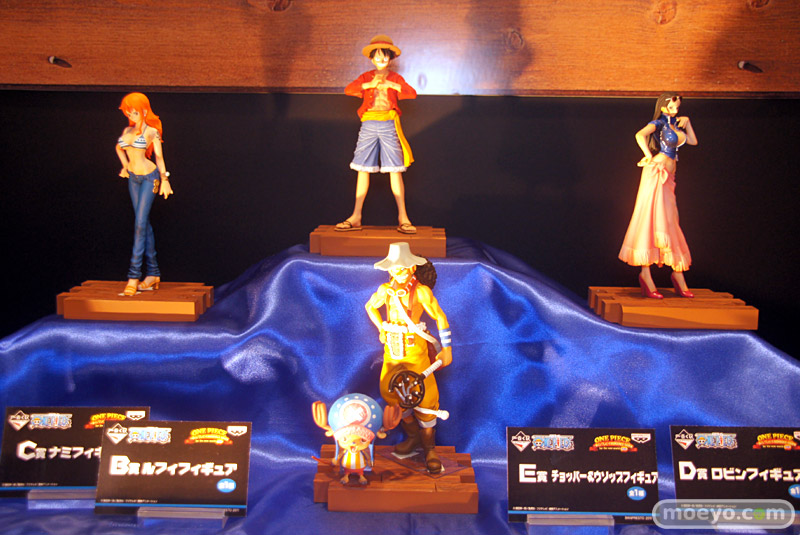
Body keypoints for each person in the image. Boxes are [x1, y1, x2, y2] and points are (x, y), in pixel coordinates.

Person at [365, 242, 452, 472]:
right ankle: (413, 437)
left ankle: (429, 448)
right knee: (391, 393)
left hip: (415, 352)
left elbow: (440, 317)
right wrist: (381, 328)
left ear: (412, 268)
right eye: (394, 268)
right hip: (392, 351)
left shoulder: (421, 292)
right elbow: (370, 306)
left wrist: (447, 348)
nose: (398, 272)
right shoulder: (385, 290)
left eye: (402, 267)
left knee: (425, 396)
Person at [618, 92, 698, 298]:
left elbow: (692, 141)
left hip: (669, 176)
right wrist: (648, 155)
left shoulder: (676, 124)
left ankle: (677, 274)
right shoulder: (659, 123)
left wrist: (688, 122)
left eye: (677, 106)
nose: (675, 110)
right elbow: (639, 135)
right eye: (672, 106)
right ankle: (647, 274)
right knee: (652, 219)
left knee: (670, 221)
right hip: (656, 172)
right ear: (663, 107)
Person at [336, 35, 418, 234]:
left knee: (395, 169)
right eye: (377, 56)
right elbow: (349, 90)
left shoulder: (395, 78)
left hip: (389, 124)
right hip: (368, 124)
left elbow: (411, 93)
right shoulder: (366, 77)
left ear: (390, 58)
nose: (381, 59)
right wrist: (369, 85)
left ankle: (403, 217)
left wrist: (393, 86)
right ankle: (356, 215)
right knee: (362, 167)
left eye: (385, 55)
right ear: (371, 58)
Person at [115, 92, 173, 296]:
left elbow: (159, 157)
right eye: (128, 112)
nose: (131, 115)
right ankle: (153, 274)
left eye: (135, 112)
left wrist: (165, 179)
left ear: (145, 111)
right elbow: (119, 148)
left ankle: (133, 276)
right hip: (133, 179)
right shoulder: (128, 130)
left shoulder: (151, 132)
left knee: (140, 223)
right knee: (143, 224)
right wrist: (125, 166)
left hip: (150, 178)